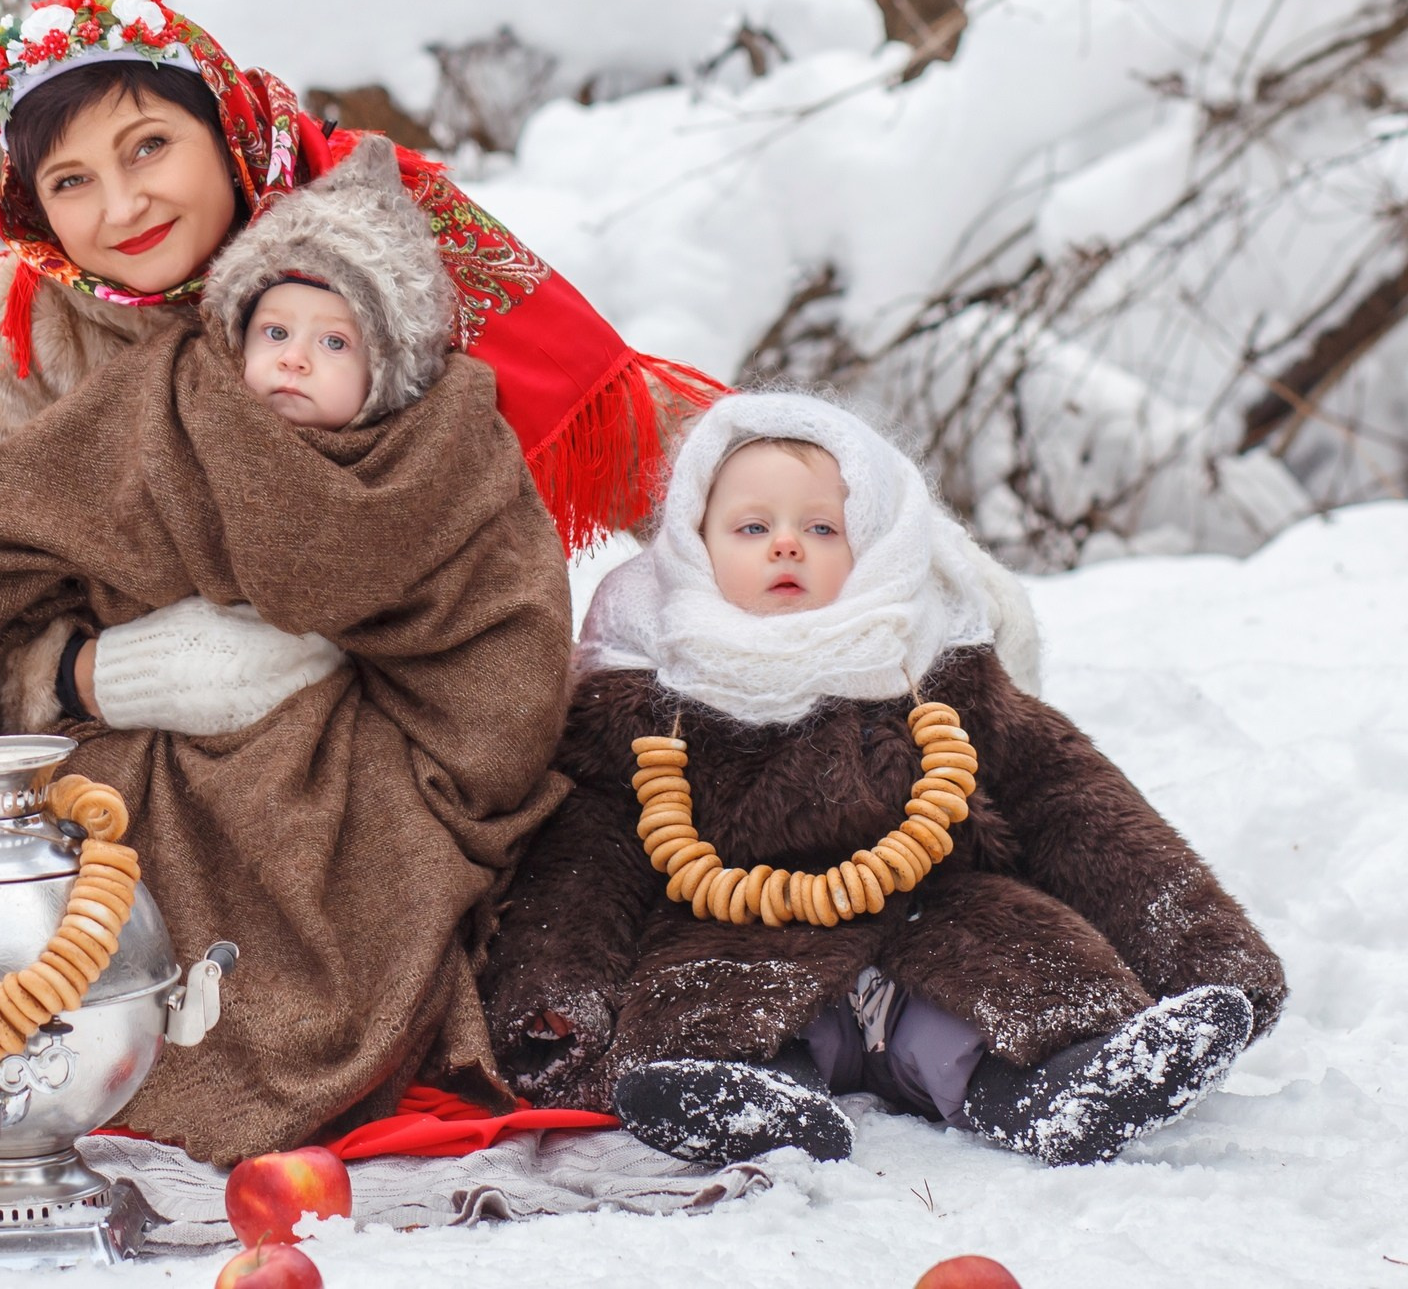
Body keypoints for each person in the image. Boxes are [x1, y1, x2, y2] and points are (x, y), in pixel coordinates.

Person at [0, 138, 575, 1164]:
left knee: (366, 892)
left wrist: (359, 693)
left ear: (390, 367)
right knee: (83, 892)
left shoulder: (445, 449)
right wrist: (87, 671)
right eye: (275, 331)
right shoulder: (151, 396)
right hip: (149, 750)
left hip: (363, 772)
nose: (295, 358)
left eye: (334, 342)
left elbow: (503, 665)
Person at [479, 392, 1285, 1166]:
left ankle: (1056, 1087)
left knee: (1040, 973)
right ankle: (756, 1099)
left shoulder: (934, 669)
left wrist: (1202, 947)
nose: (786, 544)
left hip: (942, 915)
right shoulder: (648, 702)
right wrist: (553, 1000)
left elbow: (1071, 800)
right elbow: (585, 862)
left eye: (821, 527)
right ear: (694, 544)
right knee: (696, 1012)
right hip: (738, 935)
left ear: (875, 542)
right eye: (752, 526)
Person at [0, 0, 726, 734]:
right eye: (72, 181)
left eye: (148, 147)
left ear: (221, 123)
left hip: (431, 702)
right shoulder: (25, 324)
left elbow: (633, 436)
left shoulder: (366, 235)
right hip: (165, 750)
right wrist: (92, 673)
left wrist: (782, 499)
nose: (121, 206)